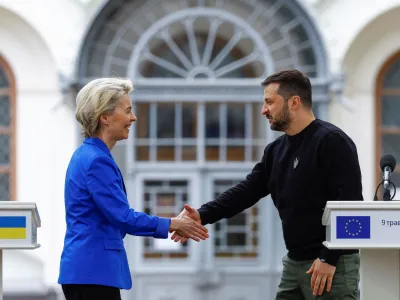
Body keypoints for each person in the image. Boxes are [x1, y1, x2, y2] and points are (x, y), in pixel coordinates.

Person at [171, 69, 362, 300]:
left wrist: (328, 258)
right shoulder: (275, 150)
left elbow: (351, 205)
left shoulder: (331, 141)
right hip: (294, 262)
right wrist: (202, 214)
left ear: (294, 102)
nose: (263, 110)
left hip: (332, 265)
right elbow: (247, 190)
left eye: (269, 102)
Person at [58, 78, 209, 300]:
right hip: (93, 272)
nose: (133, 117)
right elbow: (123, 217)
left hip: (89, 272)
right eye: (127, 110)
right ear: (105, 117)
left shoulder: (88, 156)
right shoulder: (96, 161)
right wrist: (173, 224)